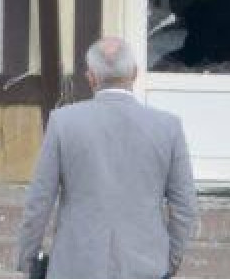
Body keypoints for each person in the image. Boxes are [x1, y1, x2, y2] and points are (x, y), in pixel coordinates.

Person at [15, 37, 198, 279]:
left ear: (91, 77)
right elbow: (185, 207)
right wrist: (169, 261)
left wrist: (28, 260)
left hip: (76, 266)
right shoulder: (168, 127)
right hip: (145, 267)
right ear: (135, 73)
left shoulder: (63, 122)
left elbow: (39, 201)